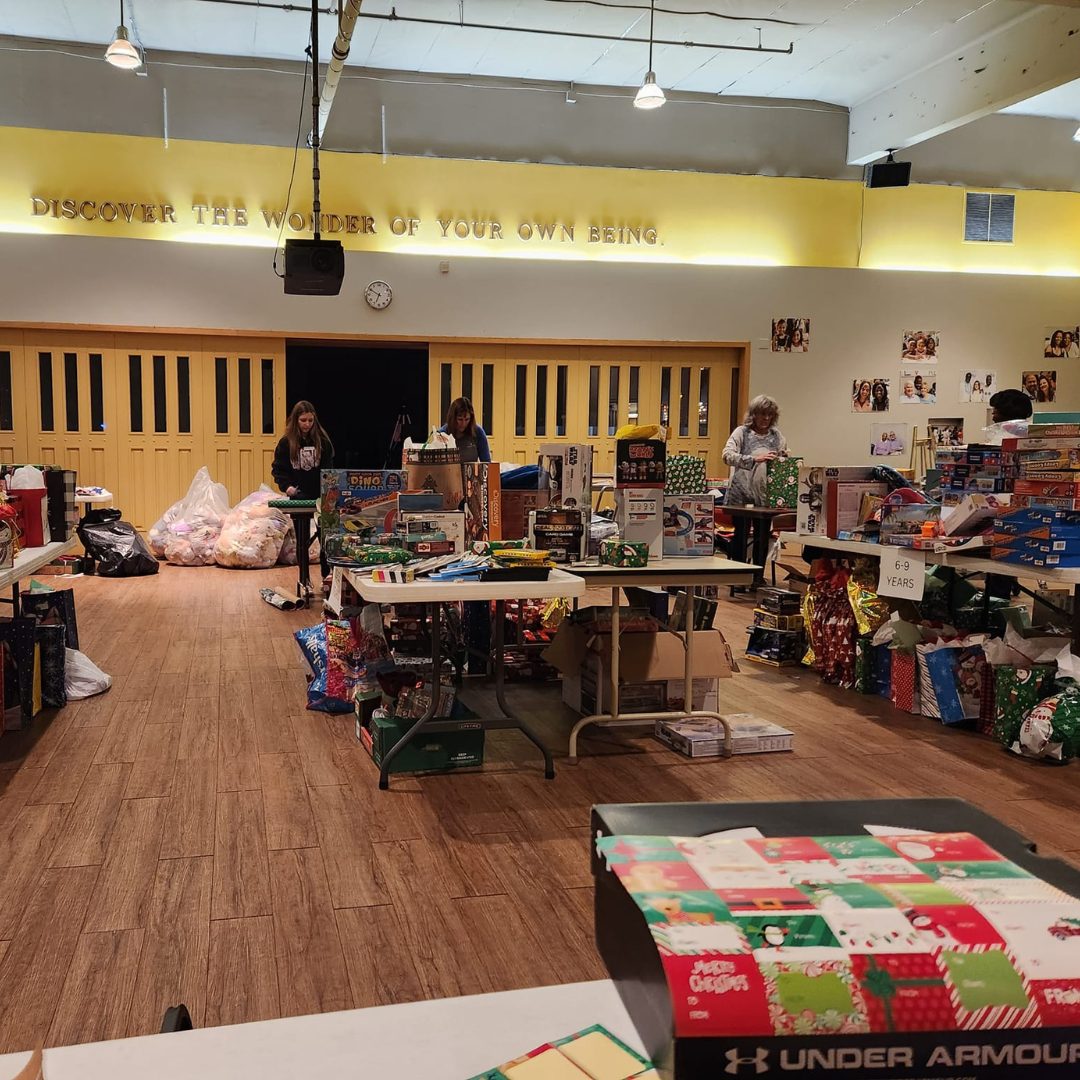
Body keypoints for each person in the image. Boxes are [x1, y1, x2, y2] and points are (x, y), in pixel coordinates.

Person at [723, 395, 786, 507]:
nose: (766, 418)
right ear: (754, 415)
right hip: (740, 496)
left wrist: (783, 458)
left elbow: (784, 464)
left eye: (769, 414)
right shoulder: (741, 432)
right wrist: (754, 459)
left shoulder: (776, 436)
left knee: (763, 524)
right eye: (762, 414)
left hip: (766, 498)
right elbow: (727, 456)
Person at [272, 400, 334, 500]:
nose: (307, 424)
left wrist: (327, 490)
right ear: (296, 420)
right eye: (303, 420)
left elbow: (328, 469)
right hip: (296, 497)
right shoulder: (285, 443)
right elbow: (278, 469)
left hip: (319, 497)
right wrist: (287, 486)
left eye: (310, 420)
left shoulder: (323, 442)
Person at [439, 396, 491, 463]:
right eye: (460, 419)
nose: (463, 424)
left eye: (467, 419)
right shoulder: (442, 434)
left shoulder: (478, 432)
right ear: (453, 418)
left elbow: (486, 462)